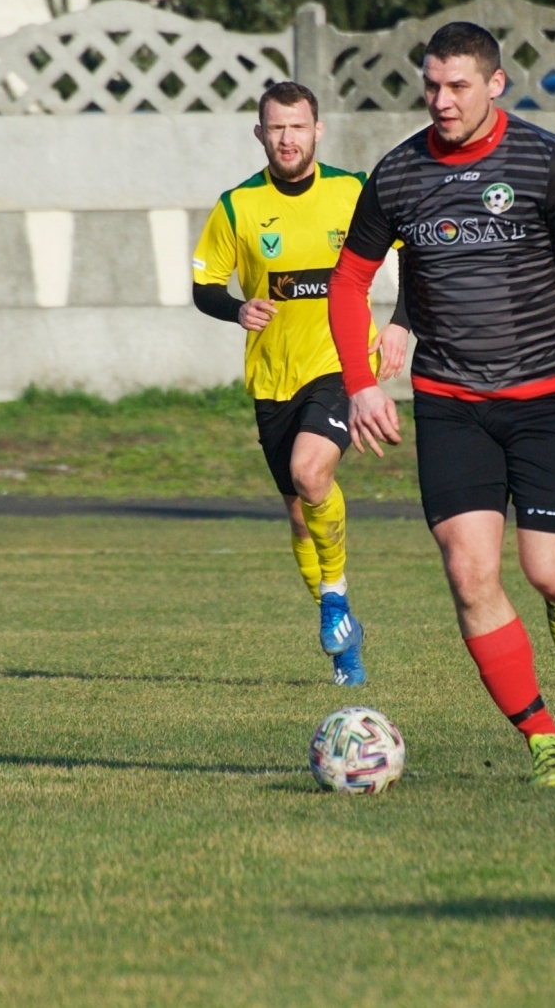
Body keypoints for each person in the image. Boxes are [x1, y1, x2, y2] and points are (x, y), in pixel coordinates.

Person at [326, 22, 555, 786]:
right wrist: (362, 384)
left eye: (457, 85)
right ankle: (542, 737)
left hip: (549, 399)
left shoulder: (544, 161)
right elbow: (347, 283)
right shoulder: (398, 175)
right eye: (431, 85)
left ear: (496, 84)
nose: (441, 100)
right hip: (450, 402)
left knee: (550, 572)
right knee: (469, 571)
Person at [190, 80, 406, 686]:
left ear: (319, 130)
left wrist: (399, 325)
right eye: (275, 128)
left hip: (342, 366)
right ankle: (344, 642)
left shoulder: (353, 191)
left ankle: (336, 598)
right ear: (260, 133)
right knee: (298, 512)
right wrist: (237, 309)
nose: (287, 138)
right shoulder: (238, 206)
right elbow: (204, 286)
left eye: (297, 126)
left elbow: (413, 253)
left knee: (314, 474)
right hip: (272, 380)